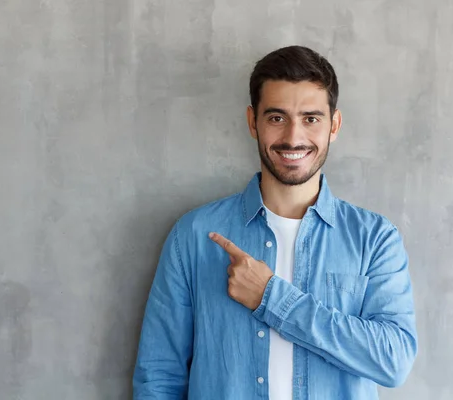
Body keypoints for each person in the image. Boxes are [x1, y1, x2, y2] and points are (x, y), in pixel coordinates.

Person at [133, 45, 417, 400]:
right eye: (277, 118)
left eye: (311, 118)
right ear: (253, 122)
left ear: (335, 124)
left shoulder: (374, 239)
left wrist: (271, 297)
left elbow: (393, 361)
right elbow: (159, 376)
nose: (294, 138)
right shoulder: (193, 236)